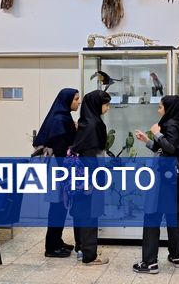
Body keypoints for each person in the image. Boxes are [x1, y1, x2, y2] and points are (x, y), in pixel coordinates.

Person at [133, 95, 179, 274]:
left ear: (168, 108)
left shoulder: (168, 125)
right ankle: (176, 256)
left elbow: (170, 149)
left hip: (162, 178)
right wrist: (147, 141)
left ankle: (149, 263)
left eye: (160, 107)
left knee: (152, 216)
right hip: (174, 177)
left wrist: (156, 132)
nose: (158, 110)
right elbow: (165, 149)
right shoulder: (178, 123)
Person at [33, 88, 81, 258]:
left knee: (60, 206)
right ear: (67, 100)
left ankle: (57, 241)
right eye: (76, 99)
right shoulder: (61, 120)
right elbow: (62, 150)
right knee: (57, 207)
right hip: (60, 169)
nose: (78, 102)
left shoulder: (63, 117)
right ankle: (51, 247)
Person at [69, 90, 111, 265]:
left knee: (81, 213)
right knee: (90, 214)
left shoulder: (85, 123)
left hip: (81, 178)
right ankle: (90, 255)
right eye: (106, 104)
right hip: (90, 177)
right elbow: (90, 156)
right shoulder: (94, 125)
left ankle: (82, 249)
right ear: (96, 105)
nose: (108, 108)